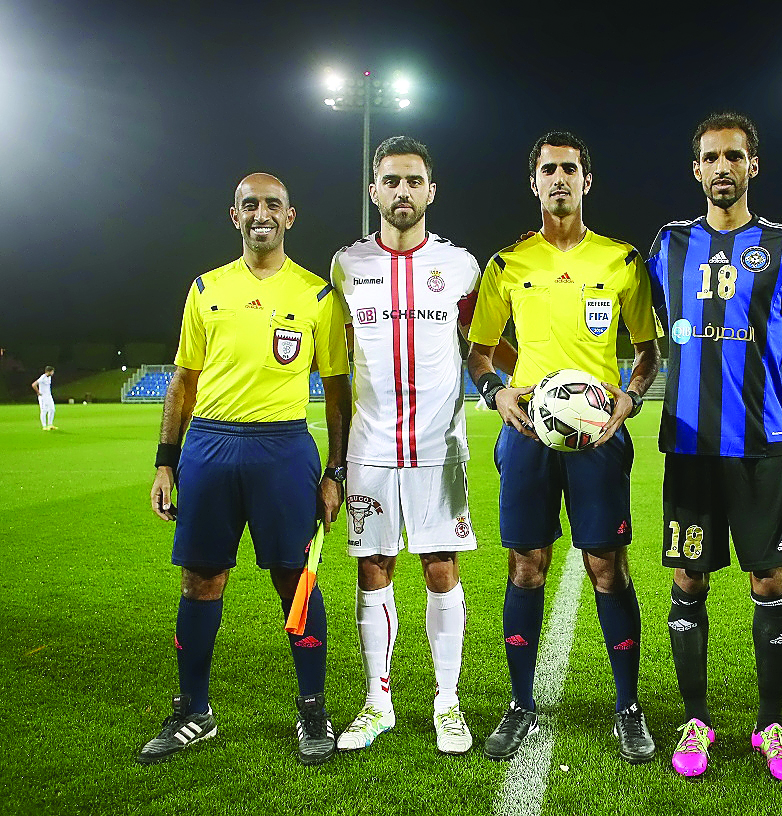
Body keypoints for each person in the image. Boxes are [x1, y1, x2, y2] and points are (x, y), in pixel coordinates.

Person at [140, 173, 351, 766]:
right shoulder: (206, 288)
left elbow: (338, 392)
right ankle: (194, 711)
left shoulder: (317, 295)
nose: (262, 213)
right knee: (201, 580)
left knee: (295, 579)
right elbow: (183, 381)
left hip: (283, 449)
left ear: (290, 216)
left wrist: (335, 471)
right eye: (250, 205)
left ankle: (312, 709)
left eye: (272, 205)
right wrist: (165, 463)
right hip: (209, 446)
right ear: (235, 216)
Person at [466, 131, 661, 763]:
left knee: (607, 566)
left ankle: (628, 707)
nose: (559, 179)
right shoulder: (507, 265)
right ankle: (520, 704)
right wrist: (497, 392)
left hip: (599, 435)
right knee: (526, 565)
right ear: (534, 183)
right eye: (548, 170)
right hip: (529, 433)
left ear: (586, 181)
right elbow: (479, 352)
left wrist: (630, 398)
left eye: (569, 169)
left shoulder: (622, 260)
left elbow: (648, 352)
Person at [645, 112, 782, 782]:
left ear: (753, 165)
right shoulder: (667, 245)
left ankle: (770, 724)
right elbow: (640, 322)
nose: (723, 167)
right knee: (688, 578)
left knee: (770, 579)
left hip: (758, 446)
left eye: (734, 156)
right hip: (689, 447)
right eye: (711, 157)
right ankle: (695, 720)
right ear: (695, 169)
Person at [329, 136, 516, 755]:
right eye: (391, 180)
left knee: (441, 566)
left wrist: (529, 380)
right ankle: (377, 703)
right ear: (374, 190)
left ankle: (447, 703)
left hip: (442, 449)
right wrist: (334, 460)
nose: (402, 191)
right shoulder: (347, 265)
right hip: (370, 446)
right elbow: (336, 361)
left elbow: (484, 341)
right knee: (373, 567)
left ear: (431, 191)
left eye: (413, 181)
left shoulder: (460, 266)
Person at [31, 366, 57, 430]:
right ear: (48, 371)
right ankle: (44, 426)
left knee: (52, 409)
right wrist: (38, 392)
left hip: (49, 396)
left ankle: (50, 424)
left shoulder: (49, 377)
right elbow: (34, 384)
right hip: (43, 397)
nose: (53, 373)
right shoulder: (43, 377)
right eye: (52, 371)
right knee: (44, 410)